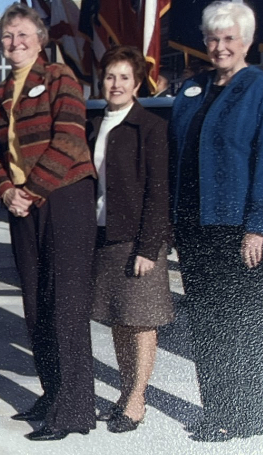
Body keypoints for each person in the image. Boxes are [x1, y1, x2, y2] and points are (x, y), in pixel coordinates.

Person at [169, 1, 263, 442]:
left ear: (247, 43)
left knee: (240, 326)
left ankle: (241, 417)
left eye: (229, 39)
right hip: (196, 227)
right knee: (205, 324)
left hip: (241, 230)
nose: (219, 47)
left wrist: (259, 226)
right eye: (212, 39)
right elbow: (177, 160)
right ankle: (216, 410)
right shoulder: (192, 89)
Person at [0, 3, 97, 442]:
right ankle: (52, 393)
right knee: (36, 304)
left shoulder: (59, 78)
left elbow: (70, 139)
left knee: (65, 304)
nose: (15, 43)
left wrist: (30, 190)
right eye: (7, 37)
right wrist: (6, 192)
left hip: (64, 198)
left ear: (40, 39)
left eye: (23, 35)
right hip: (23, 204)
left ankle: (73, 411)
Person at [87, 46, 173, 434]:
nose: (116, 84)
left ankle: (137, 399)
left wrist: (148, 247)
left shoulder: (150, 127)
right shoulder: (93, 125)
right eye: (110, 76)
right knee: (120, 321)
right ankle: (125, 393)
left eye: (124, 77)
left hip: (137, 240)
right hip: (104, 235)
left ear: (138, 83)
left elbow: (159, 191)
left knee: (141, 323)